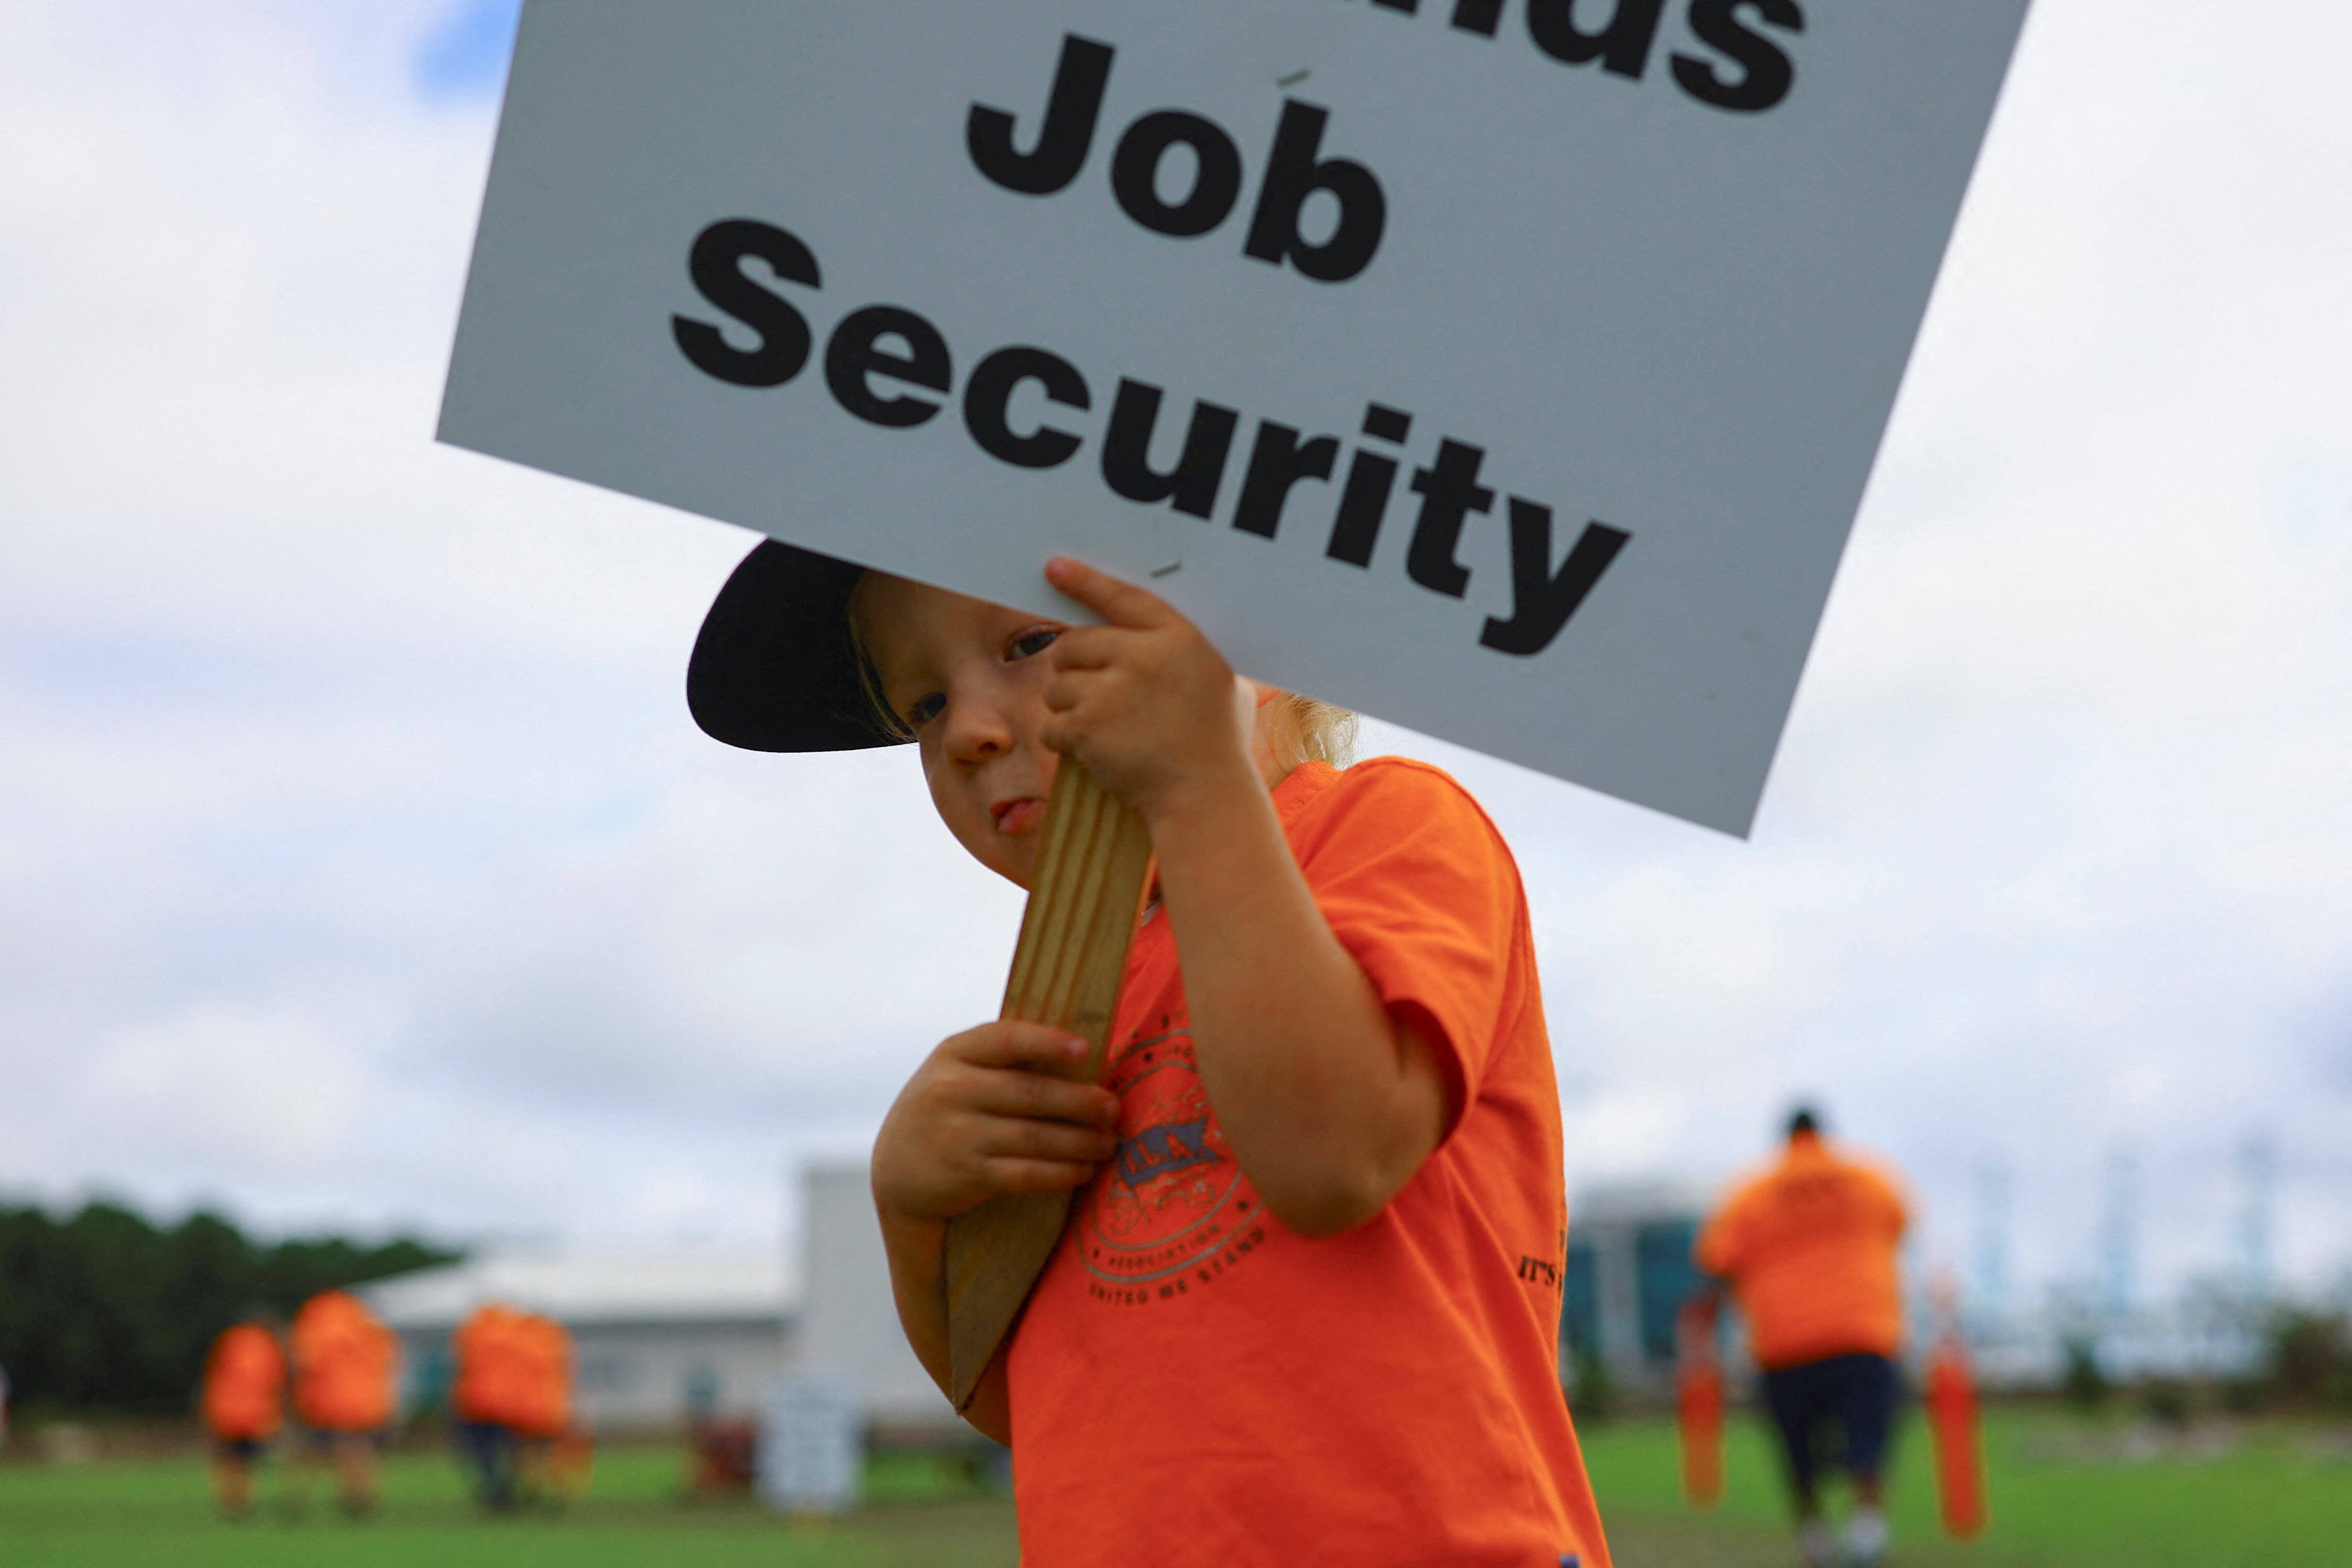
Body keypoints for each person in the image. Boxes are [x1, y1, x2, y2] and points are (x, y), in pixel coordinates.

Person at [685, 541, 1612, 1567]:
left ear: (1240, 641)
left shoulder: (1385, 825)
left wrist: (1198, 783)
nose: (970, 731)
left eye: (1030, 641)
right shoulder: (1072, 985)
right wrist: (909, 1208)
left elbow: (1328, 1156)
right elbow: (1024, 1399)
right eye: (923, 706)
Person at [1694, 1107, 1911, 1568]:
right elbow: (1899, 1227)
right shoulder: (1870, 1178)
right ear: (1823, 1134)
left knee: (1796, 1448)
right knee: (1866, 1438)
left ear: (1785, 1140)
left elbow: (1716, 1263)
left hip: (1784, 1344)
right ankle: (1866, 1530)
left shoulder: (1751, 1193)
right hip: (1863, 1332)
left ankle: (1814, 1539)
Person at [289, 1289, 399, 1516]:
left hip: (330, 1403)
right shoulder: (371, 1329)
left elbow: (306, 1362)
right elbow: (389, 1361)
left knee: (316, 1450)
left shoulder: (318, 1328)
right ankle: (360, 1493)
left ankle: (300, 1498)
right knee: (360, 1449)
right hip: (369, 1403)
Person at [200, 1316, 287, 1517]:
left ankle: (232, 1500)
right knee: (251, 1459)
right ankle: (246, 1498)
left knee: (230, 1458)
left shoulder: (228, 1340)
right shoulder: (267, 1344)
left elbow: (213, 1376)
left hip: (225, 1412)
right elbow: (276, 1380)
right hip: (257, 1414)